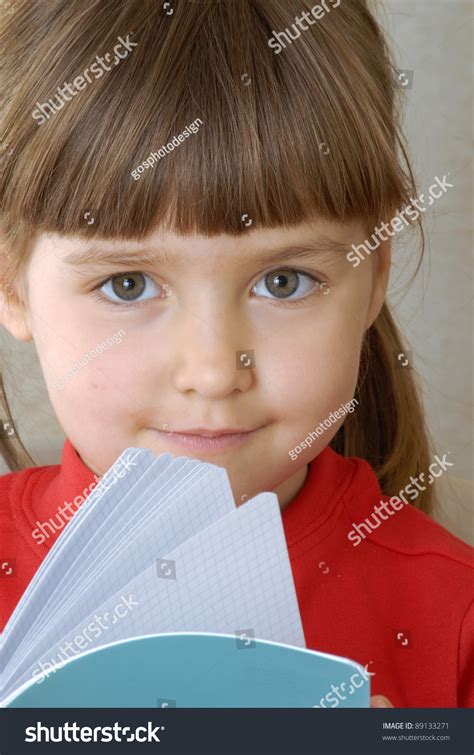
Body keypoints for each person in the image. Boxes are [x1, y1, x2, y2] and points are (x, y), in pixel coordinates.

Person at [0, 0, 472, 708]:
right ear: (14, 288)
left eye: (284, 281)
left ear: (372, 277)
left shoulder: (455, 617)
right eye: (127, 284)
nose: (216, 371)